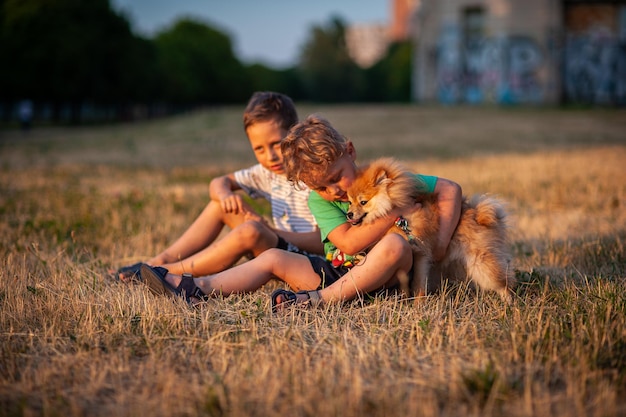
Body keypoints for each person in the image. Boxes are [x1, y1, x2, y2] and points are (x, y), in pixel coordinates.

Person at [140, 114, 462, 309]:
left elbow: (450, 190)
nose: (333, 190)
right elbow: (348, 244)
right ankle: (198, 288)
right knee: (271, 259)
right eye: (321, 187)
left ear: (350, 152)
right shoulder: (320, 201)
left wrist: (441, 244)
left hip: (389, 276)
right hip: (338, 272)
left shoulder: (382, 179)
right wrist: (395, 216)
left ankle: (319, 304)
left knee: (394, 245)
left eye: (336, 177)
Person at [113, 92, 323, 281]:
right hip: (277, 246)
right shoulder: (266, 172)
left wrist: (270, 230)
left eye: (276, 144)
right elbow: (219, 182)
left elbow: (323, 242)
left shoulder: (314, 175)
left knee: (252, 230)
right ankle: (156, 262)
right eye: (259, 149)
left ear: (294, 132)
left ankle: (168, 272)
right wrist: (225, 195)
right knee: (221, 205)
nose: (270, 156)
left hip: (305, 263)